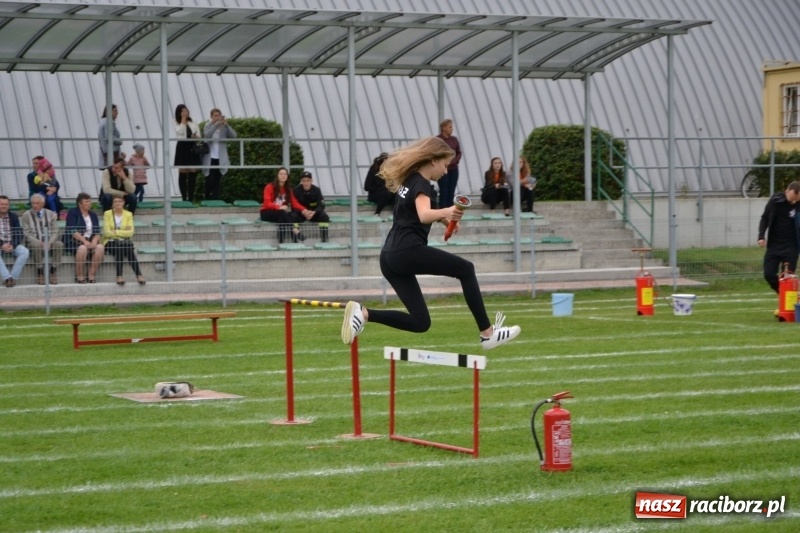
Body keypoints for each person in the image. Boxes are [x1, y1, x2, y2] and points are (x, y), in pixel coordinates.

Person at [340, 137, 521, 350]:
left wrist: (443, 218)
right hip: (407, 251)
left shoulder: (409, 180)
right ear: (433, 160)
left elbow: (414, 213)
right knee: (466, 269)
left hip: (389, 257)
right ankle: (488, 333)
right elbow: (424, 214)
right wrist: (446, 211)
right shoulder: (422, 184)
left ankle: (363, 314)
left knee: (420, 322)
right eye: (445, 165)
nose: (446, 171)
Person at [757, 181, 800, 293]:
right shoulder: (775, 200)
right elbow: (765, 218)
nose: (794, 202)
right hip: (774, 245)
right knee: (769, 274)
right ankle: (782, 294)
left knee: (788, 277)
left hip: (792, 246)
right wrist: (761, 236)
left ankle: (787, 304)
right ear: (786, 191)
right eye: (792, 199)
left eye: (797, 199)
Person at [21, 193, 63, 285]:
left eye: (37, 203)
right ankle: (40, 272)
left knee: (59, 244)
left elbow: (55, 231)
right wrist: (40, 242)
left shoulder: (51, 214)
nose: (35, 205)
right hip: (34, 242)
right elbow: (26, 233)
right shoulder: (26, 215)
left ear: (42, 204)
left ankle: (53, 270)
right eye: (33, 203)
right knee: (36, 245)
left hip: (49, 241)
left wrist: (49, 242)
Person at [63, 192, 105, 283]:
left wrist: (94, 241)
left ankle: (91, 274)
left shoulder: (93, 215)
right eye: (86, 201)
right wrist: (85, 241)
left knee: (100, 247)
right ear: (79, 203)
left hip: (90, 241)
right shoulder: (73, 213)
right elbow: (72, 231)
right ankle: (79, 275)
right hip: (75, 242)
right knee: (82, 248)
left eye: (89, 201)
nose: (89, 203)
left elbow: (97, 231)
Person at [103, 196, 145, 286]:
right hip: (110, 241)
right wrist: (123, 231)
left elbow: (130, 233)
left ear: (123, 203)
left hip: (124, 242)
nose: (117, 203)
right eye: (115, 202)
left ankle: (123, 276)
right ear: (112, 204)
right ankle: (136, 275)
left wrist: (115, 231)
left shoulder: (128, 214)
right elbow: (106, 233)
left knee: (126, 249)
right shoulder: (107, 214)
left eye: (119, 201)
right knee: (121, 248)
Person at [260, 167, 307, 243]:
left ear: (287, 176)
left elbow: (294, 203)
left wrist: (304, 210)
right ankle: (295, 230)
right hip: (266, 212)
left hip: (279, 213)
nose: (283, 176)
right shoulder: (269, 187)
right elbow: (267, 203)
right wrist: (279, 207)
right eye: (281, 174)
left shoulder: (288, 189)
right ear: (277, 176)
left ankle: (281, 242)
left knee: (283, 218)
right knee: (282, 213)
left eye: (285, 174)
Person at [202, 108, 237, 201]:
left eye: (219, 115)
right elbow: (207, 135)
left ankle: (216, 199)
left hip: (220, 157)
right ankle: (207, 197)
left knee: (217, 179)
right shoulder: (207, 125)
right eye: (215, 116)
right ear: (211, 117)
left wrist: (227, 125)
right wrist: (216, 124)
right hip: (210, 157)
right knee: (210, 179)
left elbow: (234, 136)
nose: (217, 117)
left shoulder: (224, 127)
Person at [0, 195, 30, 288]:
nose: (4, 206)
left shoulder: (13, 216)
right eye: (1, 204)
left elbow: (19, 233)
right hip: (0, 245)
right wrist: (2, 245)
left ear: (8, 205)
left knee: (25, 252)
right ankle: (7, 278)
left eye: (6, 204)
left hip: (12, 244)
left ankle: (12, 278)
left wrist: (12, 245)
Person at [174, 104, 201, 203]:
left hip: (192, 146)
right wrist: (183, 120)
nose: (185, 112)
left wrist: (196, 137)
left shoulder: (193, 121)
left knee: (192, 171)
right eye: (183, 111)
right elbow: (179, 132)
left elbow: (199, 135)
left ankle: (191, 197)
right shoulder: (176, 121)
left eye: (186, 110)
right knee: (183, 172)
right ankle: (184, 198)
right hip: (182, 146)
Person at [293, 171, 330, 242]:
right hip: (301, 214)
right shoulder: (296, 190)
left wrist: (314, 212)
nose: (306, 183)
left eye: (308, 181)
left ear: (311, 181)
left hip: (313, 214)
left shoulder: (316, 190)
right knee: (292, 216)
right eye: (304, 181)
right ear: (301, 181)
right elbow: (294, 206)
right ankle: (296, 239)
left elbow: (321, 205)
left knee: (324, 216)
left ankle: (324, 238)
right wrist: (303, 212)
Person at [436, 119, 462, 208]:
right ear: (444, 128)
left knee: (451, 190)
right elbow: (435, 154)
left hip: (454, 169)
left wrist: (454, 161)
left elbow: (459, 152)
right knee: (444, 190)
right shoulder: (437, 140)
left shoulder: (454, 140)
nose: (452, 129)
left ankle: (450, 211)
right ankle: (442, 211)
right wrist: (444, 163)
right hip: (442, 169)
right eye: (450, 127)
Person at [364, 152, 395, 216]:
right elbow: (367, 187)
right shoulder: (373, 170)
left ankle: (396, 214)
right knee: (386, 194)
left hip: (385, 193)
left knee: (396, 194)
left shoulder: (388, 171)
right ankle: (377, 213)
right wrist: (379, 188)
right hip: (374, 194)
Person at [98, 104, 125, 168]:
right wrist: (120, 141)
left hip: (107, 152)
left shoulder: (103, 122)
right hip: (112, 153)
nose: (117, 113)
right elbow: (109, 136)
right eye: (115, 110)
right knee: (114, 172)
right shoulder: (109, 122)